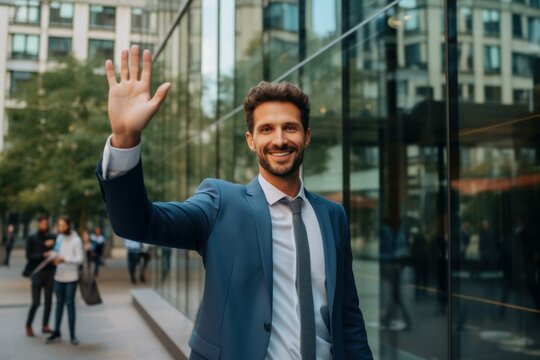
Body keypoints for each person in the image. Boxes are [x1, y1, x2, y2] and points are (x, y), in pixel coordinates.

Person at [97, 46, 372, 359]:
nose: (279, 139)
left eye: (290, 128)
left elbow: (348, 315)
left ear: (306, 136)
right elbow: (136, 223)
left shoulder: (332, 215)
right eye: (266, 129)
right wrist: (124, 139)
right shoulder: (220, 203)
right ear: (251, 140)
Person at [45, 216, 84, 345]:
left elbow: (80, 259)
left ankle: (73, 335)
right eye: (59, 226)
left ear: (68, 225)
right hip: (58, 277)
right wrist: (51, 256)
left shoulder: (76, 240)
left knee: (70, 306)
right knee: (59, 305)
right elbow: (56, 252)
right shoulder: (60, 238)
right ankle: (56, 331)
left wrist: (64, 259)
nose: (60, 228)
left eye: (63, 226)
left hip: (71, 278)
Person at [24, 215, 55, 337]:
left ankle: (45, 325)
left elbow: (56, 252)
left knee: (48, 302)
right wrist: (43, 254)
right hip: (36, 273)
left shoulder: (52, 237)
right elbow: (29, 256)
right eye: (42, 224)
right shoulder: (32, 238)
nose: (44, 226)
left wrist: (52, 246)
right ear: (38, 224)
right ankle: (28, 325)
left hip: (50, 273)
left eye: (46, 224)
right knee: (36, 302)